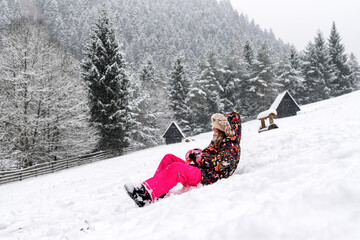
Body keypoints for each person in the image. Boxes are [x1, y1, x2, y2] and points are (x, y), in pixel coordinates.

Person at [124, 112, 241, 207]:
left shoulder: (232, 147)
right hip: (200, 170)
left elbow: (219, 163)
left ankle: (145, 196)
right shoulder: (217, 143)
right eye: (214, 130)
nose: (214, 134)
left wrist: (200, 156)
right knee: (169, 158)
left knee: (176, 168)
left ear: (225, 131)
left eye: (216, 131)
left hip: (207, 176)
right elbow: (206, 154)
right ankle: (158, 191)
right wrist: (194, 153)